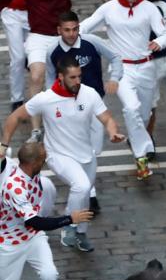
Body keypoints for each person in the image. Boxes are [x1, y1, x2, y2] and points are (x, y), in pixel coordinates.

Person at [3, 57, 125, 253]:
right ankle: (69, 225)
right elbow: (15, 117)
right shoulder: (46, 98)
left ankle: (81, 233)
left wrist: (112, 132)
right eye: (72, 77)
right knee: (82, 186)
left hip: (86, 155)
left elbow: (107, 118)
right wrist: (4, 144)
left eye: (79, 76)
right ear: (60, 77)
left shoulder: (89, 94)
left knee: (84, 195)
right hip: (58, 155)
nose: (77, 81)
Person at [0, 0, 110, 144]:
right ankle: (36, 130)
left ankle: (73, 119)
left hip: (63, 38)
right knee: (36, 76)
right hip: (38, 37)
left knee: (70, 80)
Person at [80, 0, 166, 180]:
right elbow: (85, 27)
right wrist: (70, 37)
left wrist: (158, 42)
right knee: (131, 109)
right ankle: (141, 157)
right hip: (122, 70)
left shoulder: (149, 8)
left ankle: (140, 142)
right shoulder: (108, 9)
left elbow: (165, 35)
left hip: (147, 68)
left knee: (144, 114)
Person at [0, 144, 93, 280]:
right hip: (10, 241)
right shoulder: (14, 186)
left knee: (50, 275)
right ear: (32, 163)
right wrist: (69, 219)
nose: (44, 163)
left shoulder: (32, 175)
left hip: (33, 236)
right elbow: (35, 221)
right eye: (42, 160)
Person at [46, 11, 123, 215]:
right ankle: (89, 193)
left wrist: (114, 78)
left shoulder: (92, 42)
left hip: (95, 105)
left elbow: (115, 57)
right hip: (68, 108)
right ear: (59, 30)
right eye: (67, 30)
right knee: (81, 149)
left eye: (75, 29)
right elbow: (49, 79)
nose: (72, 34)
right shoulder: (52, 51)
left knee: (94, 150)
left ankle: (86, 189)